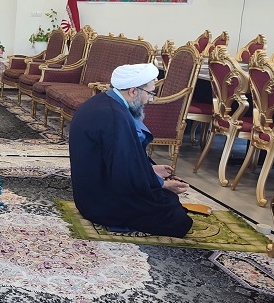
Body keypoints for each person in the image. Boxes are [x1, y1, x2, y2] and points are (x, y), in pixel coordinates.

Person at [69, 62, 193, 237]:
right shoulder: (115, 117)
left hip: (90, 193)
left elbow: (120, 160)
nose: (150, 99)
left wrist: (150, 170)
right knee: (176, 216)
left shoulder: (103, 102)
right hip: (101, 203)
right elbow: (124, 172)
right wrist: (161, 184)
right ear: (133, 91)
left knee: (166, 200)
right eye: (150, 93)